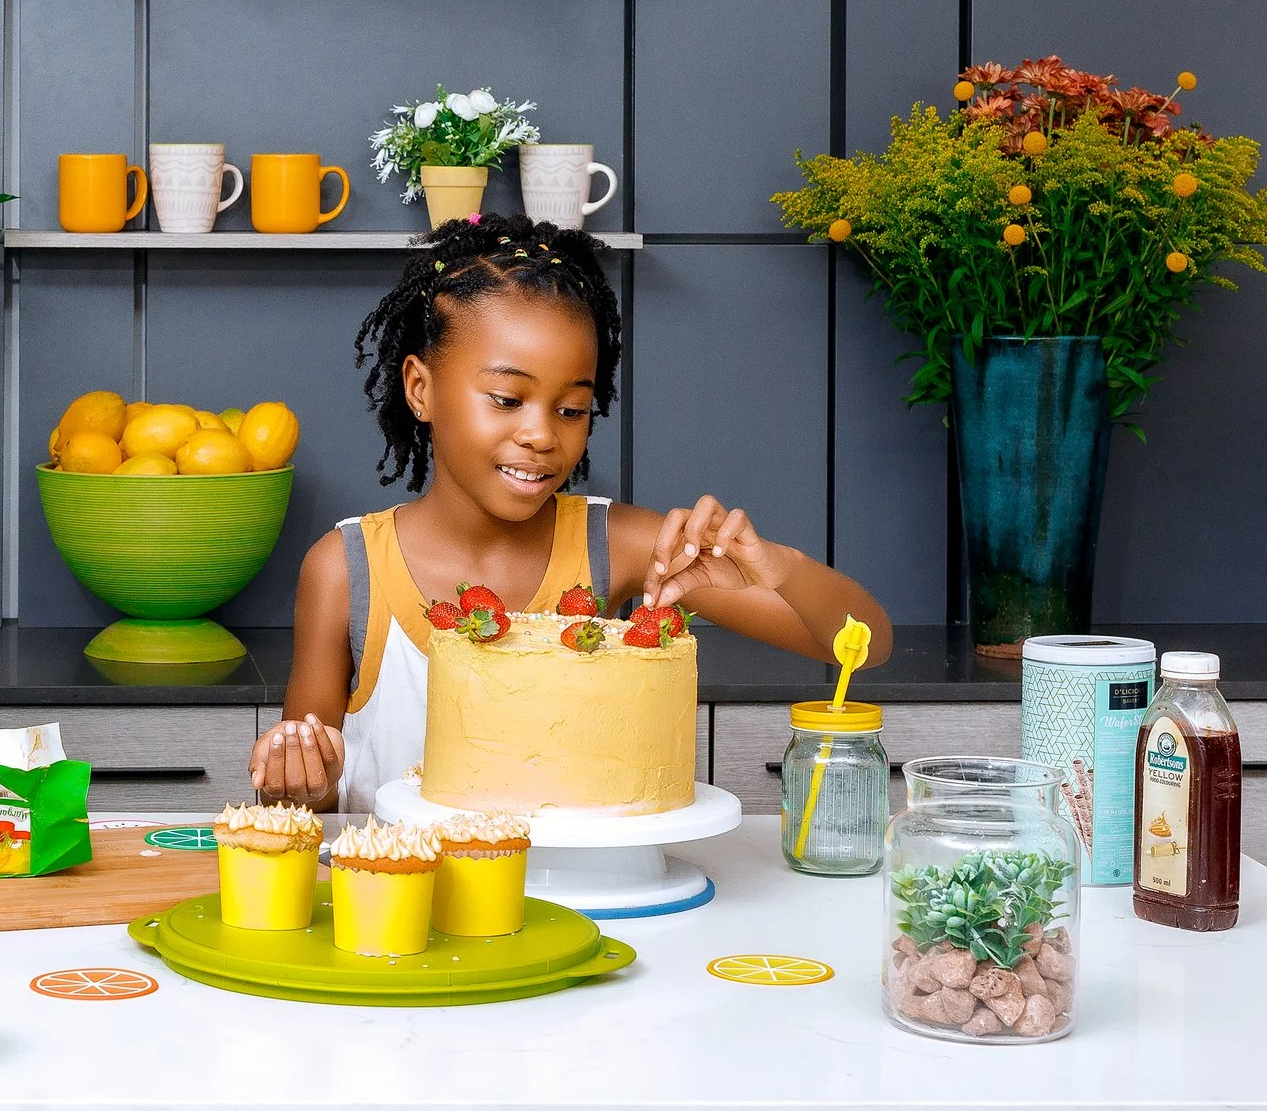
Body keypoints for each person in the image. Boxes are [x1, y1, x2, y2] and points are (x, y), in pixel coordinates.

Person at [250, 214, 891, 812]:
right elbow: (309, 801)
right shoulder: (345, 568)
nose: (541, 435)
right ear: (421, 388)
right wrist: (296, 774)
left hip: (582, 912)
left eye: (572, 409)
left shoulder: (627, 546)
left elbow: (865, 645)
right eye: (507, 399)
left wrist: (777, 566)